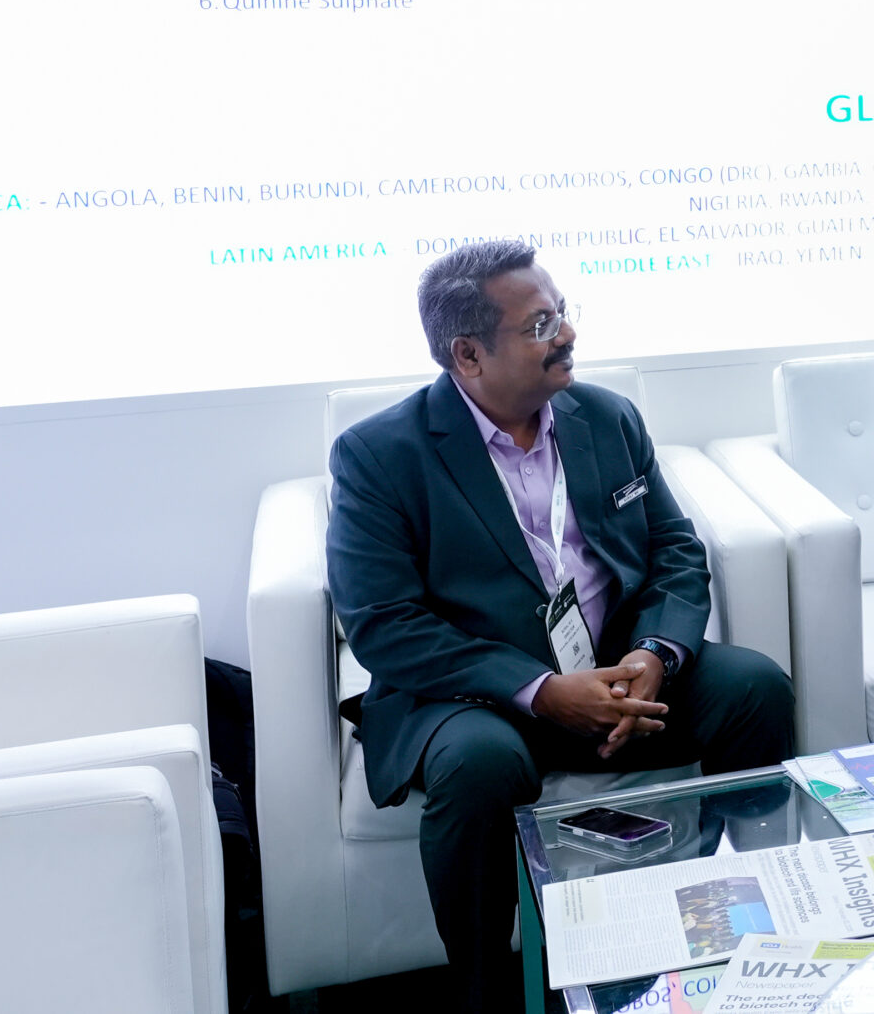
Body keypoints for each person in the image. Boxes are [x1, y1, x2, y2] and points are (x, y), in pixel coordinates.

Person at [327, 242, 796, 1013]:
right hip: (475, 697)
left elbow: (675, 551)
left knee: (755, 688)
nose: (568, 334)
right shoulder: (381, 454)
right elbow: (385, 625)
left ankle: (734, 929)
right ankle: (485, 993)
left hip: (616, 672)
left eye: (564, 313)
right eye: (540, 324)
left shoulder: (605, 417)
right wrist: (541, 690)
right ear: (468, 354)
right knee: (479, 766)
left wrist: (654, 652)